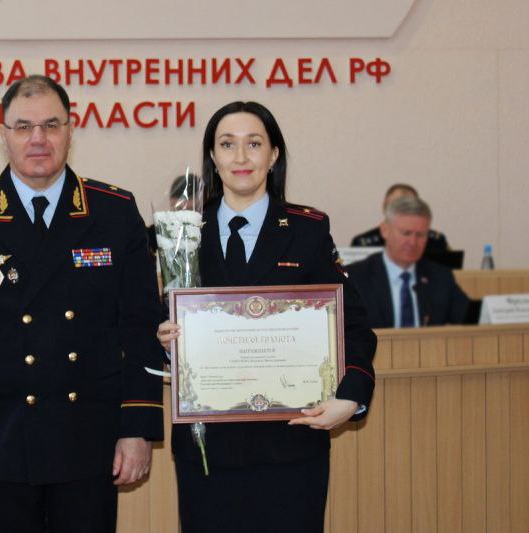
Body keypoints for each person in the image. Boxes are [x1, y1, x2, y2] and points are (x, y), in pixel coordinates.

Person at [0, 75, 165, 533]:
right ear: (3, 134)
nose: (38, 139)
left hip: (90, 434)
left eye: (51, 125)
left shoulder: (113, 211)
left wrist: (138, 426)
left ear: (71, 130)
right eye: (24, 126)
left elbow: (140, 326)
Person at [157, 101, 377, 533]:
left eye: (254, 144)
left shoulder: (307, 230)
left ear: (274, 155)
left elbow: (353, 325)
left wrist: (351, 398)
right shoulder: (181, 233)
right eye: (227, 145)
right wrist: (164, 341)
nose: (241, 157)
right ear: (213, 157)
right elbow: (151, 325)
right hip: (208, 450)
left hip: (291, 446)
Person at [346, 196, 469, 328]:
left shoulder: (440, 277)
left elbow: (469, 321)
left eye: (420, 235)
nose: (413, 242)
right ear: (385, 230)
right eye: (406, 233)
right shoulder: (355, 278)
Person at [350, 183, 449, 251]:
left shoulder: (435, 241)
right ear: (384, 206)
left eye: (409, 207)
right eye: (396, 206)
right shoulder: (363, 244)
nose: (402, 212)